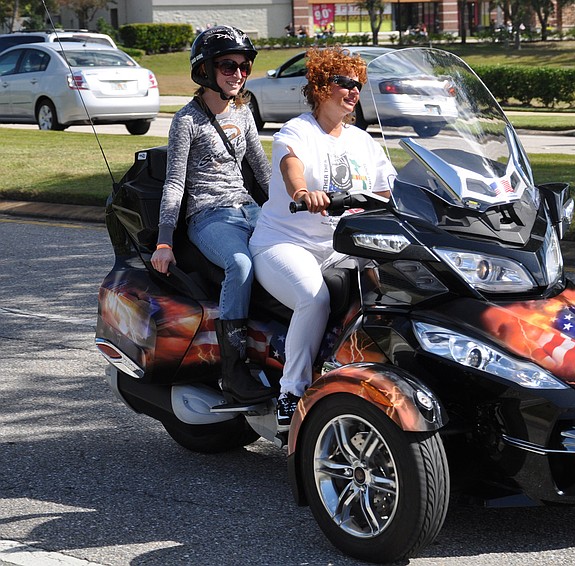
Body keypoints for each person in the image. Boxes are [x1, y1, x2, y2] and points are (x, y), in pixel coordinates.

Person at [249, 46, 396, 426]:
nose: (354, 91)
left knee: (396, 285)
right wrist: (302, 193)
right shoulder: (297, 131)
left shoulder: (362, 141)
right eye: (344, 82)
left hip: (341, 245)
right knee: (313, 299)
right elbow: (290, 164)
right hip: (285, 242)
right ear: (319, 86)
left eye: (358, 84)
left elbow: (389, 188)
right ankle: (291, 391)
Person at [151, 25, 272, 405]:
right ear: (205, 71)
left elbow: (263, 171)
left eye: (243, 66)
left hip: (247, 208)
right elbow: (174, 184)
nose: (237, 73)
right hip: (209, 215)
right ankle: (233, 372)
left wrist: (293, 208)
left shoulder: (244, 111)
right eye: (227, 66)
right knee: (240, 264)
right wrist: (165, 241)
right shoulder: (186, 121)